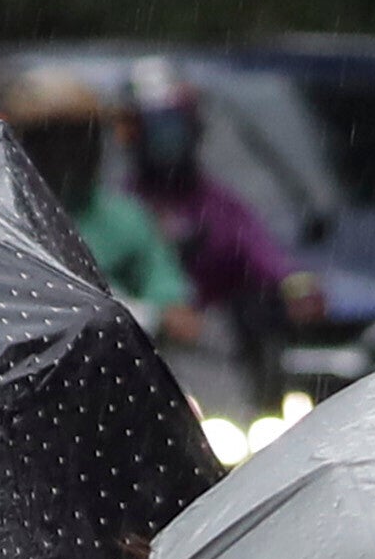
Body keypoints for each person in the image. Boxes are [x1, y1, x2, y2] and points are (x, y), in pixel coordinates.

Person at [119, 59, 310, 362]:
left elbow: (262, 253)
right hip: (139, 356)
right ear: (133, 133)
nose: (167, 135)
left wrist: (295, 285)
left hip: (216, 357)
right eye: (155, 124)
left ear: (194, 125)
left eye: (174, 121)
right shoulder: (121, 210)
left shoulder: (220, 206)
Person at [0, 66, 190, 332]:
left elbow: (182, 319)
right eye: (47, 138)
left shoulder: (127, 220)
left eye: (78, 136)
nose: (65, 151)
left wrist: (134, 312)